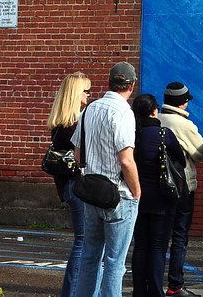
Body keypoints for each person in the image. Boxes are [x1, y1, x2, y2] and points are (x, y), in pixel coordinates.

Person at [73, 62, 141, 297]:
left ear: (109, 82)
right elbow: (126, 160)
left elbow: (77, 152)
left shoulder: (89, 109)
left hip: (91, 191)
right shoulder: (123, 112)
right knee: (114, 261)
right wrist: (137, 191)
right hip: (119, 193)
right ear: (132, 85)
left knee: (90, 256)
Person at [130, 94, 187, 297]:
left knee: (140, 246)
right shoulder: (164, 134)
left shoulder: (133, 134)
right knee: (157, 247)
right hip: (162, 198)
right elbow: (182, 161)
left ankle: (139, 291)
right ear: (154, 111)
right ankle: (155, 291)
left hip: (137, 196)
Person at [158, 82, 203, 297]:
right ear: (183, 102)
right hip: (181, 186)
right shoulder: (184, 125)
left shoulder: (156, 119)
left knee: (158, 237)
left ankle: (154, 281)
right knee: (179, 236)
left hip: (156, 187)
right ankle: (175, 285)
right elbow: (200, 154)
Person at [47, 71, 90, 297]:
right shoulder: (75, 123)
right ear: (75, 94)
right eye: (85, 91)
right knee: (83, 242)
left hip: (68, 185)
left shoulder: (61, 122)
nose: (89, 95)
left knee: (82, 241)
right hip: (78, 184)